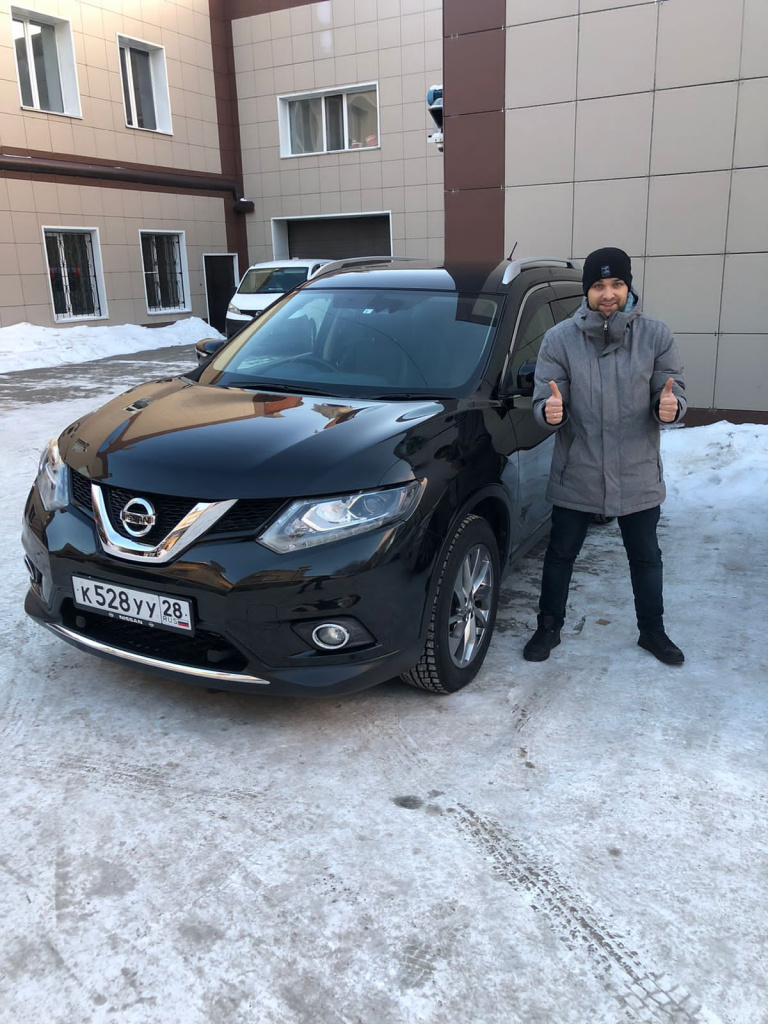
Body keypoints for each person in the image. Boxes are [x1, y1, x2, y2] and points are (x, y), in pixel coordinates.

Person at [523, 247, 687, 666]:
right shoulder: (559, 339)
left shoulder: (656, 335)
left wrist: (669, 407)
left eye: (616, 284)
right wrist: (549, 411)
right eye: (598, 285)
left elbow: (671, 390)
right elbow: (546, 398)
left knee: (646, 557)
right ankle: (548, 627)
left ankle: (653, 631)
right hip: (578, 470)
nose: (608, 293)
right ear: (587, 291)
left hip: (637, 472)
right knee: (560, 555)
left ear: (628, 287)